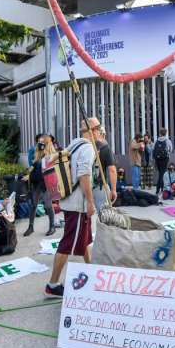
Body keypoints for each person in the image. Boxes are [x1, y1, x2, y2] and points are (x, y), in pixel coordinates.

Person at [44, 117, 99, 298]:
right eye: (99, 128)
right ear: (93, 130)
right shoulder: (88, 148)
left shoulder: (74, 145)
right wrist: (91, 202)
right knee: (67, 244)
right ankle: (52, 284)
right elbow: (84, 175)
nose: (100, 132)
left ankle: (92, 274)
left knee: (85, 240)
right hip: (78, 205)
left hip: (69, 201)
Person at [23, 134, 57, 237]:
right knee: (33, 205)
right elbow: (32, 166)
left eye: (43, 142)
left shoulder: (51, 154)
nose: (40, 144)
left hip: (46, 183)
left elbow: (52, 167)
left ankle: (52, 226)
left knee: (48, 205)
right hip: (36, 182)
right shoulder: (37, 153)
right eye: (39, 142)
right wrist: (27, 174)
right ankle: (31, 227)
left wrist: (46, 154)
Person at [93, 131, 117, 212]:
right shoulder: (105, 148)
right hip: (99, 186)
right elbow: (112, 170)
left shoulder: (87, 146)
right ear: (103, 135)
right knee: (104, 215)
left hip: (84, 186)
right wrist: (114, 190)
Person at [153, 128, 173, 196]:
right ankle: (158, 189)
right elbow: (170, 149)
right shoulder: (168, 141)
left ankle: (161, 188)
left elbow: (153, 149)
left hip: (158, 159)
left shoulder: (156, 141)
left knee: (160, 173)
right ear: (166, 133)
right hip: (165, 159)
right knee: (162, 174)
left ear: (160, 133)